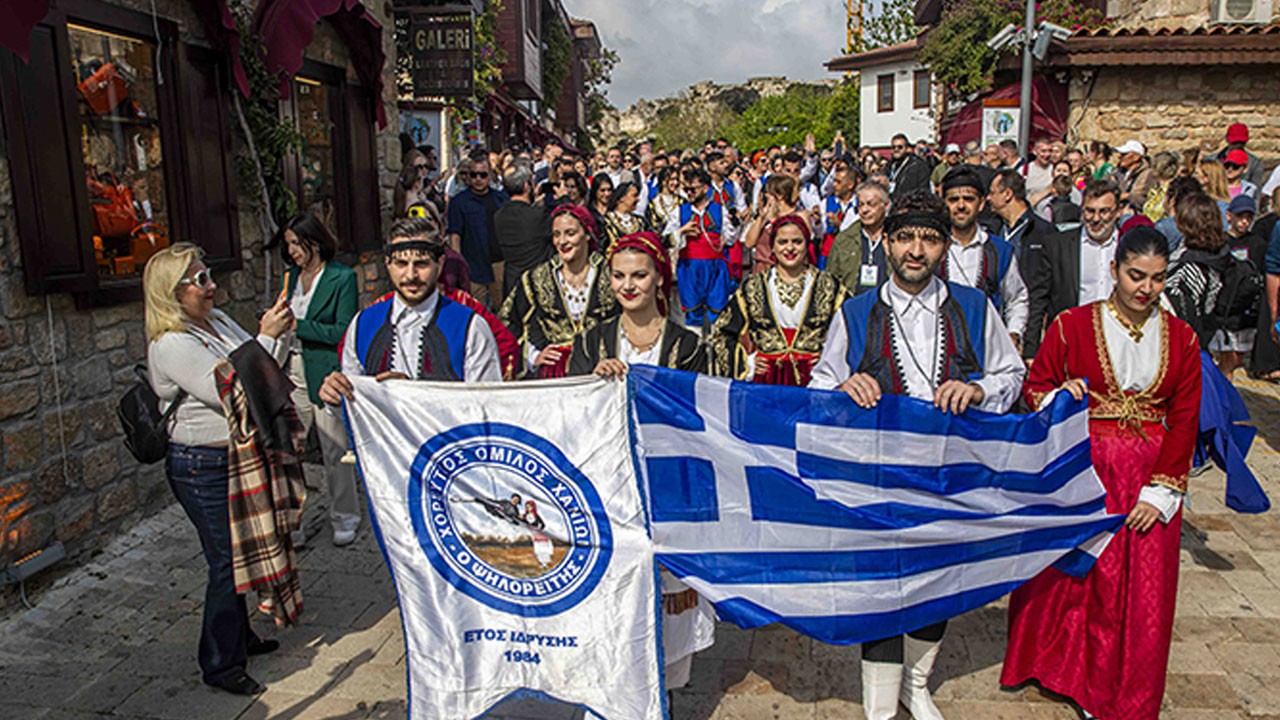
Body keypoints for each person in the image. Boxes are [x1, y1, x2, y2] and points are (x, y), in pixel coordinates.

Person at [809, 191, 1025, 720]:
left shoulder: (975, 307)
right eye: (905, 237)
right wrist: (845, 387)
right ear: (887, 243)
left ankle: (917, 683)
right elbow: (820, 386)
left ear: (944, 245)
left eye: (929, 238)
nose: (916, 249)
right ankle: (880, 707)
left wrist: (978, 392)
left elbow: (1011, 374)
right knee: (881, 587)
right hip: (877, 479)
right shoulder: (856, 312)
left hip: (949, 477)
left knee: (937, 580)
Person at [1002, 226, 1201, 720]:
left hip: (1150, 475)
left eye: (1157, 279)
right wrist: (1060, 397)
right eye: (1136, 275)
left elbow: (1184, 416)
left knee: (1143, 592)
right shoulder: (1071, 325)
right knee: (1085, 579)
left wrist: (1162, 490)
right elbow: (1038, 384)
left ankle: (1124, 691)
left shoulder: (1182, 337)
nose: (1145, 288)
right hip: (1087, 469)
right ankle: (1070, 674)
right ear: (1114, 270)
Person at [567, 231, 712, 690]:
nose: (628, 285)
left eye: (639, 275)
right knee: (614, 592)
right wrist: (594, 383)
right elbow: (568, 412)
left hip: (666, 486)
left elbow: (700, 422)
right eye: (618, 276)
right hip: (607, 483)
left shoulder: (688, 347)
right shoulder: (592, 342)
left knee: (667, 599)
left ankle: (662, 691)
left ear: (658, 279)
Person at [146, 243, 291, 695]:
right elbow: (232, 390)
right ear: (172, 293)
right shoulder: (171, 343)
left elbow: (266, 372)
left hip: (233, 454)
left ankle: (240, 637)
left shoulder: (216, 321)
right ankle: (220, 663)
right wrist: (266, 338)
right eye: (200, 280)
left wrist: (278, 334)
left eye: (209, 275)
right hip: (200, 464)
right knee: (226, 562)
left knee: (242, 552)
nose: (212, 286)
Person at [319, 218, 501, 411]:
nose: (410, 275)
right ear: (387, 264)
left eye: (421, 264)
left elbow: (486, 408)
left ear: (439, 264)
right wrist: (335, 396)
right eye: (401, 263)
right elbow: (353, 404)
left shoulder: (470, 327)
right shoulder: (363, 324)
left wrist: (413, 394)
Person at [277, 214, 361, 546]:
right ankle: (293, 521)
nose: (292, 251)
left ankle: (345, 516)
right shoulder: (290, 277)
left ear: (314, 241)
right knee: (289, 450)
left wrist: (300, 327)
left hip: (324, 370)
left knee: (333, 449)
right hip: (289, 371)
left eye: (297, 243)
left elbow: (344, 331)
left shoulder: (342, 278)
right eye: (288, 245)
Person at [709, 215, 849, 385]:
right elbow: (721, 332)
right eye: (783, 242)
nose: (790, 248)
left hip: (816, 381)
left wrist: (830, 357)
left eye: (797, 242)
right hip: (767, 382)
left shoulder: (828, 285)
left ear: (807, 244)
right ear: (772, 246)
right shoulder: (754, 286)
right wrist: (746, 363)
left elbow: (851, 329)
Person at [501, 204, 618, 378]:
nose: (562, 242)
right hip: (554, 375)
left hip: (602, 371)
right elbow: (508, 321)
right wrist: (532, 356)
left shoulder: (610, 274)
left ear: (587, 234)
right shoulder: (537, 278)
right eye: (557, 235)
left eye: (570, 233)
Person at [1025, 179, 1124, 358]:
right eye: (1090, 211)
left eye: (1104, 212)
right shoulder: (1057, 245)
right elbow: (1038, 299)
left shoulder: (1128, 245)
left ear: (1118, 212)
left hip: (1119, 343)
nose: (1095, 219)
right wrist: (1031, 351)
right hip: (1071, 344)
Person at [938, 167, 1029, 347]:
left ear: (980, 204)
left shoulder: (1000, 251)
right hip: (940, 347)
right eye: (954, 200)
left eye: (968, 199)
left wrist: (1013, 333)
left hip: (988, 347)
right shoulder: (932, 247)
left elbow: (1016, 298)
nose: (961, 206)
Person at [665, 167, 740, 329]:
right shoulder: (679, 212)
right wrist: (682, 232)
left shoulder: (719, 209)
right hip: (690, 267)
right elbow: (668, 238)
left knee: (718, 313)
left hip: (715, 267)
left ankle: (716, 348)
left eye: (693, 189)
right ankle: (695, 349)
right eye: (686, 189)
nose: (689, 193)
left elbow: (732, 237)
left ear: (705, 188)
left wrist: (731, 229)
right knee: (692, 314)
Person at [446, 151, 509, 308]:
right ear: (468, 177)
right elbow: (455, 235)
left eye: (482, 175)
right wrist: (459, 265)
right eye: (474, 175)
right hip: (472, 265)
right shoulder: (459, 202)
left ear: (490, 176)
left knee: (503, 310)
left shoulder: (501, 199)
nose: (478, 179)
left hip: (499, 263)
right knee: (474, 311)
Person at [493, 163, 554, 305]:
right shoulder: (538, 216)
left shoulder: (498, 216)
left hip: (512, 283)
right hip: (537, 283)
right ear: (527, 186)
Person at [988, 169, 1056, 288]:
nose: (988, 198)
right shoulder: (992, 230)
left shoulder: (1044, 232)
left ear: (1007, 194)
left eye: (992, 193)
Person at [826, 179, 891, 296]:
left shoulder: (896, 238)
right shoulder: (845, 239)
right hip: (853, 306)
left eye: (871, 204)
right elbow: (831, 279)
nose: (865, 210)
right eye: (861, 204)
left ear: (885, 205)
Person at [743, 174, 800, 276]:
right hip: (761, 270)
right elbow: (749, 243)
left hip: (781, 272)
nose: (765, 195)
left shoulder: (795, 218)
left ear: (780, 195)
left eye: (769, 193)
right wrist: (761, 218)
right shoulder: (766, 217)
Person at [817, 165, 859, 270]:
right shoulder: (826, 203)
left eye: (839, 182)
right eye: (834, 181)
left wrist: (840, 224)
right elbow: (820, 233)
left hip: (849, 255)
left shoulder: (859, 205)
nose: (835, 185)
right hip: (827, 254)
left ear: (850, 185)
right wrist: (817, 222)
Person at [1212, 122, 1266, 189]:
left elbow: (1256, 192)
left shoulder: (1255, 164)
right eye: (1234, 142)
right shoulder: (1213, 160)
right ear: (1227, 139)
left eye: (1241, 143)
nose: (1238, 146)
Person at [601, 181, 650, 250]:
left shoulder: (641, 222)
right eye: (634, 195)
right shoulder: (605, 222)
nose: (638, 199)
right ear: (622, 198)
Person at [886, 133, 931, 201]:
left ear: (907, 149)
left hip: (910, 205)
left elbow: (924, 191)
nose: (896, 149)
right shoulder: (889, 165)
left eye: (900, 147)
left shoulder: (918, 166)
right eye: (893, 147)